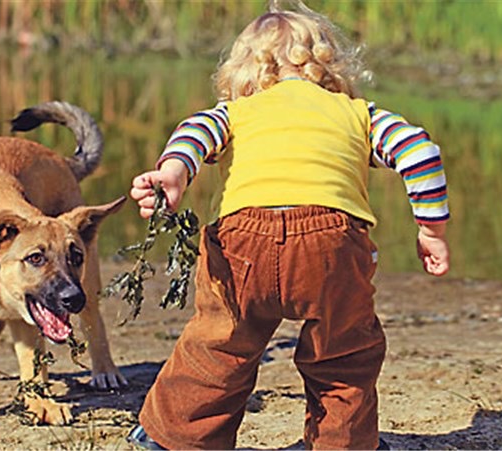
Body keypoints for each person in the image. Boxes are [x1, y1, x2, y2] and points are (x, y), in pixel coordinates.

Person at [126, 1, 450, 449]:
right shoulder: (358, 113)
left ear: (244, 72)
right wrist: (431, 230)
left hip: (244, 242)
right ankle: (346, 444)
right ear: (331, 66)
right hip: (332, 246)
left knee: (220, 344)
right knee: (344, 353)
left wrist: (175, 172)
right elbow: (420, 153)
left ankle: (177, 439)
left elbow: (196, 130)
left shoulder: (237, 112)